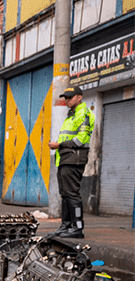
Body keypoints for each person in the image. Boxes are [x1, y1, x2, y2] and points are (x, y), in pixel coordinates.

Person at [47, 86, 95, 239]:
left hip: (74, 159)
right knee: (65, 194)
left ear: (79, 97)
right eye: (65, 97)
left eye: (70, 97)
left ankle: (77, 227)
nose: (67, 100)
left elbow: (81, 140)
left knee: (72, 194)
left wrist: (59, 145)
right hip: (66, 159)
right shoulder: (71, 116)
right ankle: (66, 225)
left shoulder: (84, 113)